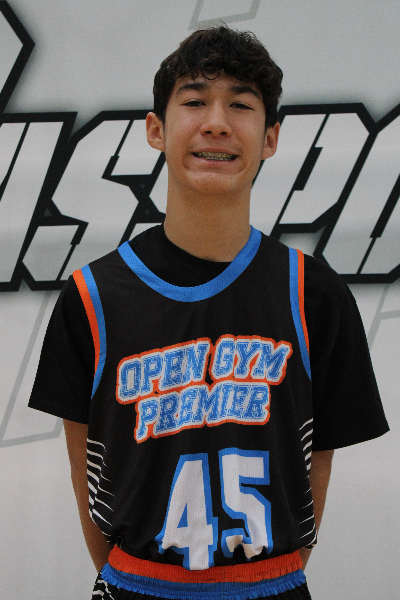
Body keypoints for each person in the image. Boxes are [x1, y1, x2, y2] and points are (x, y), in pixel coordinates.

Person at [29, 25, 389, 600]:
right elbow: (87, 470)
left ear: (270, 138)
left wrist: (269, 574)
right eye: (195, 101)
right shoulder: (92, 296)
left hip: (271, 584)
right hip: (136, 584)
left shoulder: (313, 295)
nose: (217, 122)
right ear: (156, 129)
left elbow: (315, 466)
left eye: (241, 105)